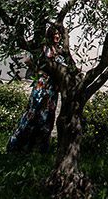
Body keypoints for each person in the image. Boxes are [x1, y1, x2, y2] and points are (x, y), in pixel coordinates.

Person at [8, 24, 65, 152]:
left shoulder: (61, 51)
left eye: (59, 34)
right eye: (55, 33)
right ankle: (18, 145)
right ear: (50, 34)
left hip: (52, 90)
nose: (57, 36)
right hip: (41, 86)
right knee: (33, 113)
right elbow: (30, 61)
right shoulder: (44, 49)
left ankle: (39, 149)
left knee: (48, 117)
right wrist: (37, 71)